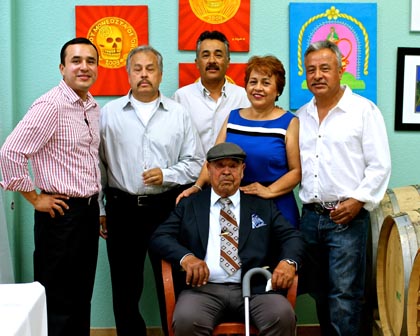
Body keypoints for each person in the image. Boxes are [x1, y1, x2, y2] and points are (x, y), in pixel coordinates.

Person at [98, 45, 205, 336]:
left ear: (160, 73)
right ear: (128, 73)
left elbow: (196, 163)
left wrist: (167, 175)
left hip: (166, 208)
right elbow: (98, 166)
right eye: (137, 69)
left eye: (150, 69)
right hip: (122, 207)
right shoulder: (109, 113)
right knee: (125, 287)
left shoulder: (178, 113)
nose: (144, 75)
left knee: (172, 281)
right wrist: (102, 209)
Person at [150, 142, 306, 336]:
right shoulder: (190, 205)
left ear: (242, 170)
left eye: (232, 166)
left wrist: (288, 262)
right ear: (208, 169)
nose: (226, 172)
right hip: (203, 290)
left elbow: (292, 237)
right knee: (186, 319)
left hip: (255, 288)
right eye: (219, 166)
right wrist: (187, 258)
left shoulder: (262, 205)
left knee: (282, 316)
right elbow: (160, 236)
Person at [0, 37, 101, 336]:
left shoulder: (92, 107)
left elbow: (89, 163)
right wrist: (34, 198)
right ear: (62, 67)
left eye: (90, 61)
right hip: (61, 217)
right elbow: (10, 152)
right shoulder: (51, 105)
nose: (84, 67)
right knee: (58, 301)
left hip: (87, 213)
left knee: (82, 296)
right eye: (76, 60)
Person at [297, 40, 391, 335]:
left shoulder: (363, 111)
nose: (317, 75)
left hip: (346, 217)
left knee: (345, 297)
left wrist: (358, 201)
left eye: (325, 68)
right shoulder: (301, 116)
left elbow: (380, 165)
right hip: (310, 217)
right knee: (319, 294)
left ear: (341, 70)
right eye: (311, 70)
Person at [178, 55, 301, 228]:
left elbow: (296, 171)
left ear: (278, 90)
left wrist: (269, 191)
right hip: (236, 205)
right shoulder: (233, 118)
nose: (258, 88)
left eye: (265, 83)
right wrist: (197, 187)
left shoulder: (289, 122)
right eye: (253, 82)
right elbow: (213, 161)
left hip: (277, 207)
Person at [172, 30, 250, 153]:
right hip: (192, 172)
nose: (212, 61)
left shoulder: (243, 97)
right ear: (197, 63)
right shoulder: (181, 97)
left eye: (218, 55)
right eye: (205, 55)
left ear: (228, 62)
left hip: (231, 171)